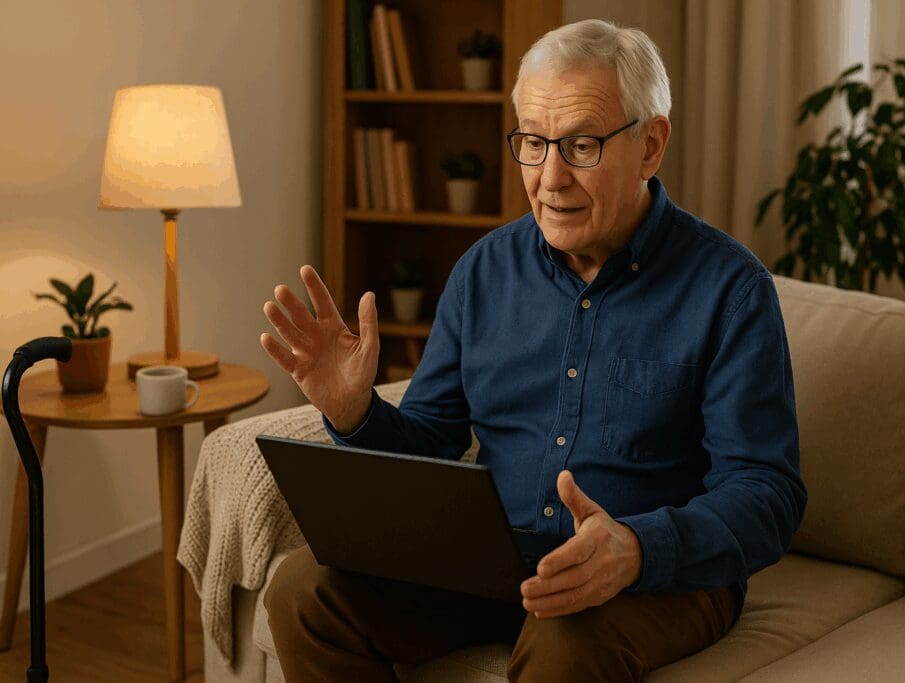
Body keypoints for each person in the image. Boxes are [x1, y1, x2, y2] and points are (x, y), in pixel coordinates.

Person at [258, 18, 806, 683]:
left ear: (651, 144)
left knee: (564, 643)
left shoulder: (731, 289)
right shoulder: (482, 271)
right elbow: (432, 438)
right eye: (533, 143)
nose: (551, 179)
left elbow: (766, 492)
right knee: (301, 590)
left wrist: (636, 546)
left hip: (661, 576)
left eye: (580, 144)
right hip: (490, 560)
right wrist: (354, 414)